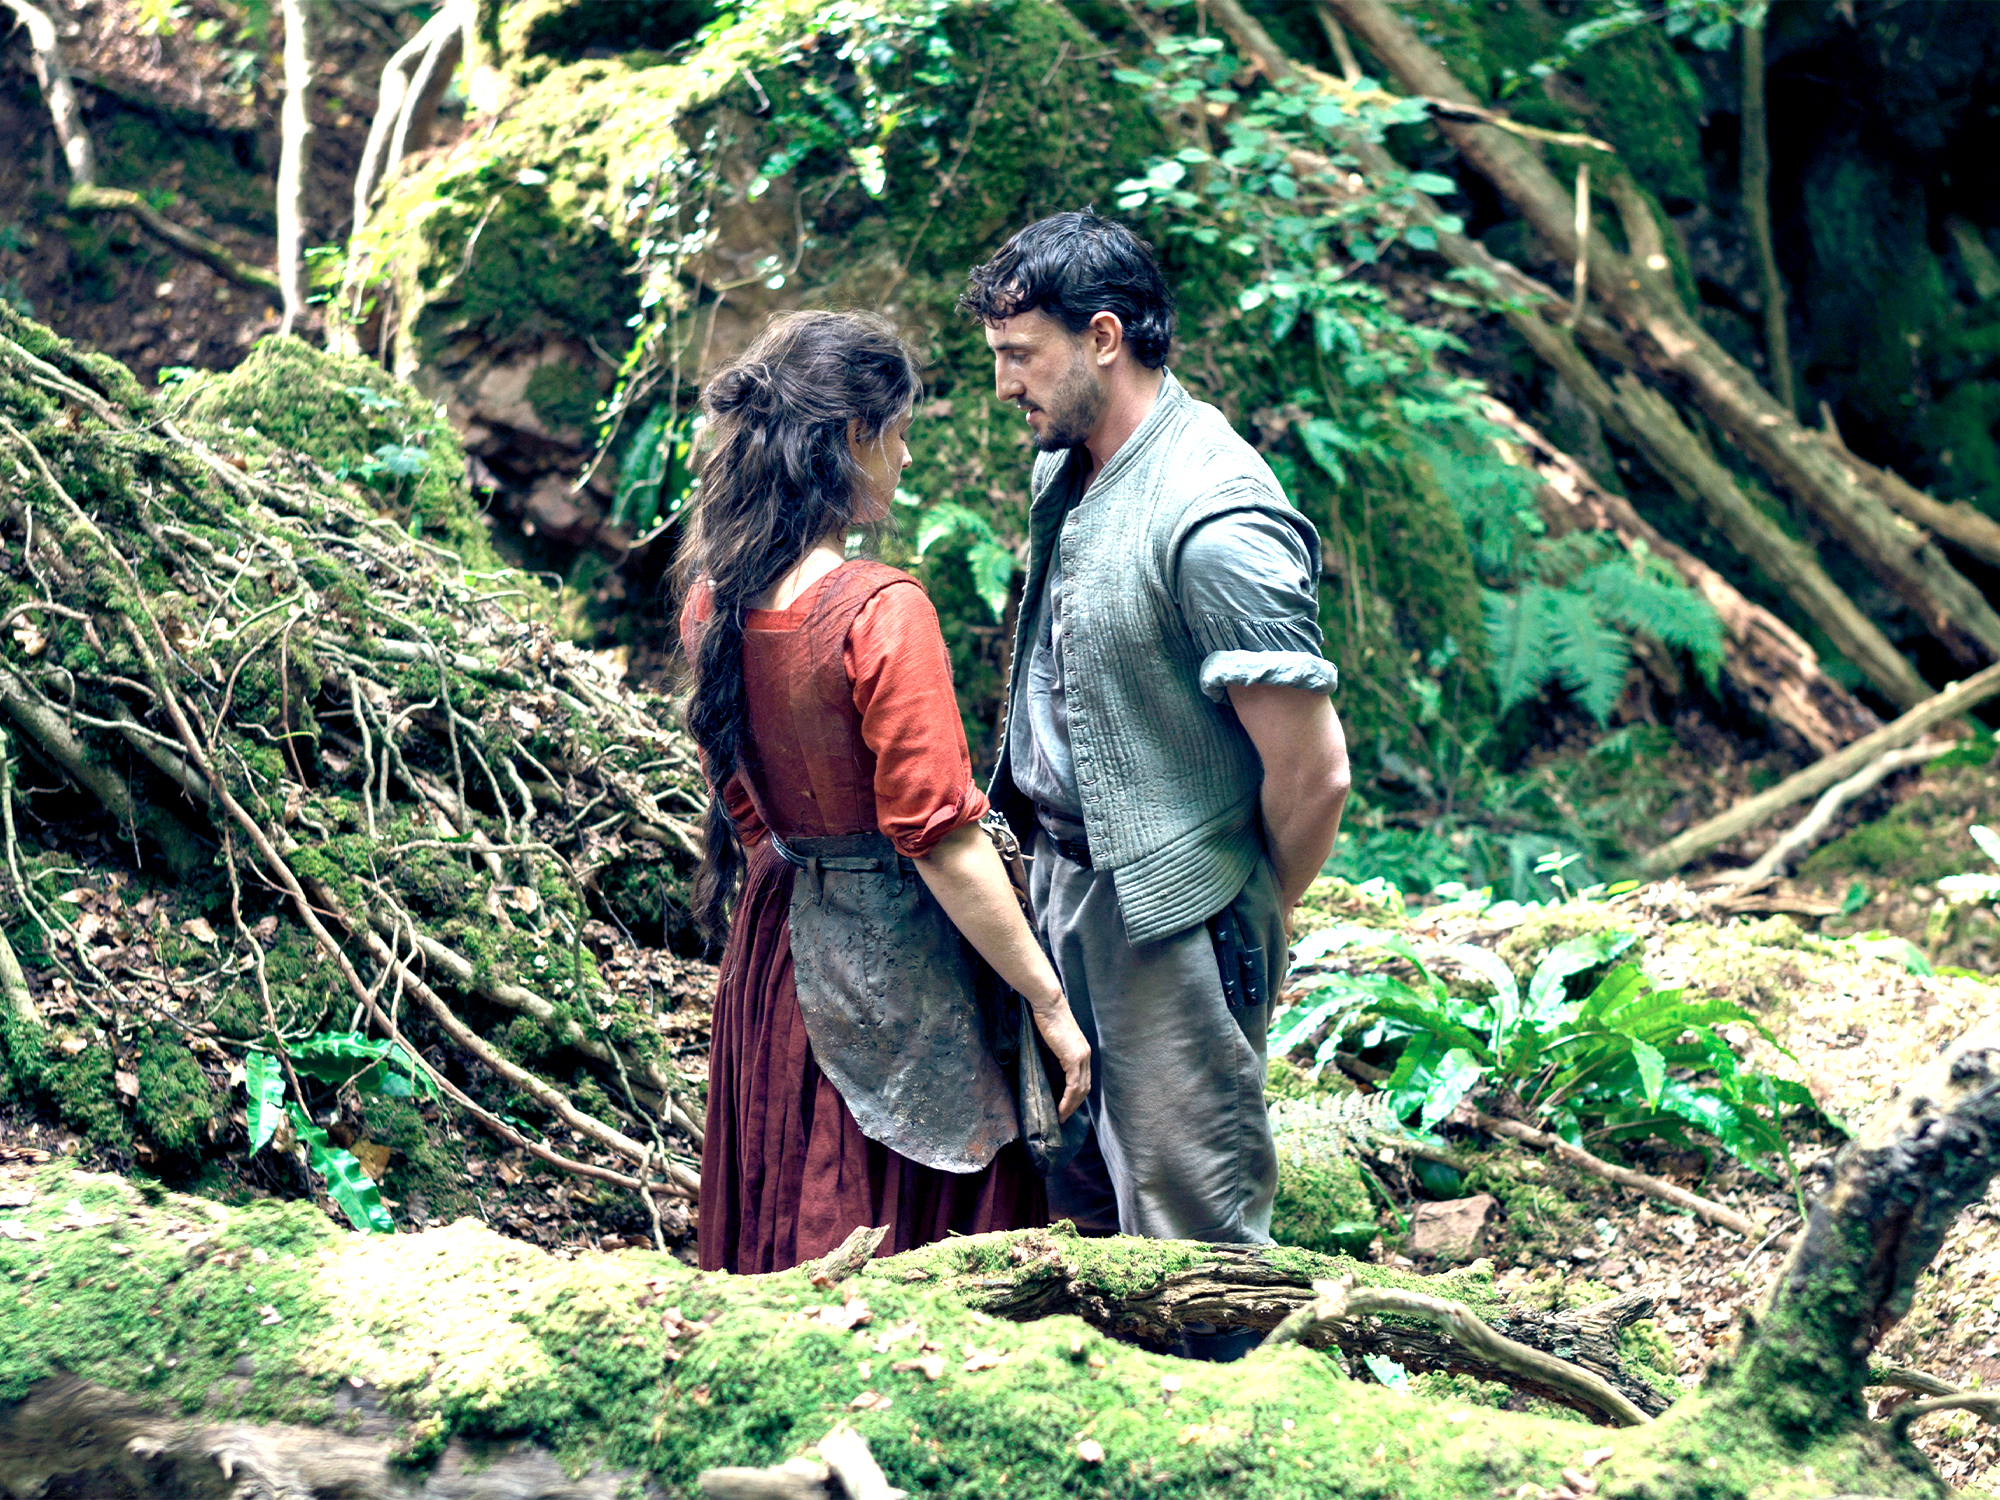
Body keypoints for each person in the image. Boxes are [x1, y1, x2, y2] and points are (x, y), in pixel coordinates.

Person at [959, 212, 1352, 1271]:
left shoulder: (1216, 520)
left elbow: (1313, 775)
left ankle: (1224, 1427)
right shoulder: (1069, 463)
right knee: (1077, 1203)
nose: (1004, 386)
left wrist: (1241, 916)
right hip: (1056, 886)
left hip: (1171, 920)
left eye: (1017, 357)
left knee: (1192, 1231)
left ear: (1100, 337)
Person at [679, 309, 1091, 1275]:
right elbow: (939, 838)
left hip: (778, 951)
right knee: (894, 1227)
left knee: (793, 1175)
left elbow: (743, 802)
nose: (903, 460)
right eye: (898, 434)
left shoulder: (716, 597)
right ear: (852, 438)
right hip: (898, 963)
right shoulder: (879, 610)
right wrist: (1047, 1000)